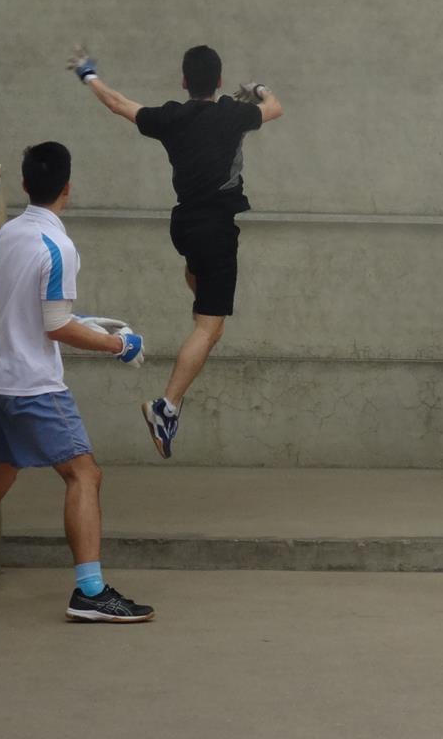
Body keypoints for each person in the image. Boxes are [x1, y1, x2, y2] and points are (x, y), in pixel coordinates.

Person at [0, 141, 155, 624]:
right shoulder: (59, 246)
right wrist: (118, 346)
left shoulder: (5, 235)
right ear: (67, 189)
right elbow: (54, 326)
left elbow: (30, 309)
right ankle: (90, 592)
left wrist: (85, 320)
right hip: (32, 387)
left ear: (26, 184)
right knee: (85, 475)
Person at [68, 43, 282, 457]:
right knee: (210, 328)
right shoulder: (233, 114)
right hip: (216, 228)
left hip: (183, 226)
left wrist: (88, 74)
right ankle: (166, 407)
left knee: (199, 286)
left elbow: (117, 104)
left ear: (184, 82)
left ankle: (200, 316)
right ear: (218, 81)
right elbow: (275, 107)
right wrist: (256, 89)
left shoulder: (170, 117)